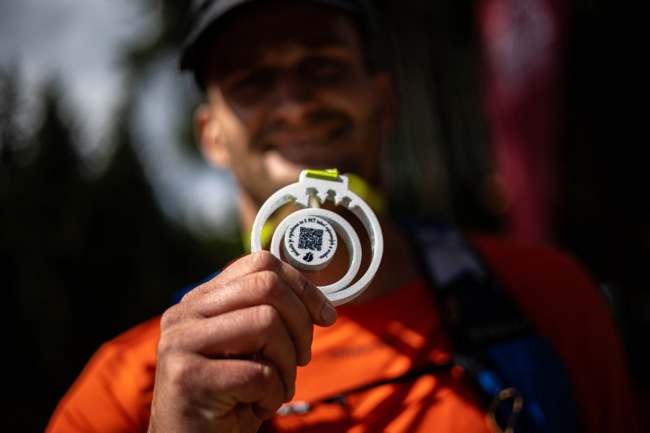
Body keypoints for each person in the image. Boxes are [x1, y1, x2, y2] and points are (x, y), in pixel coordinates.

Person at [46, 0, 642, 432]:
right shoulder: (134, 387)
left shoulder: (547, 296)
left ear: (383, 101)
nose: (295, 103)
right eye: (252, 80)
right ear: (212, 135)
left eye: (323, 64)